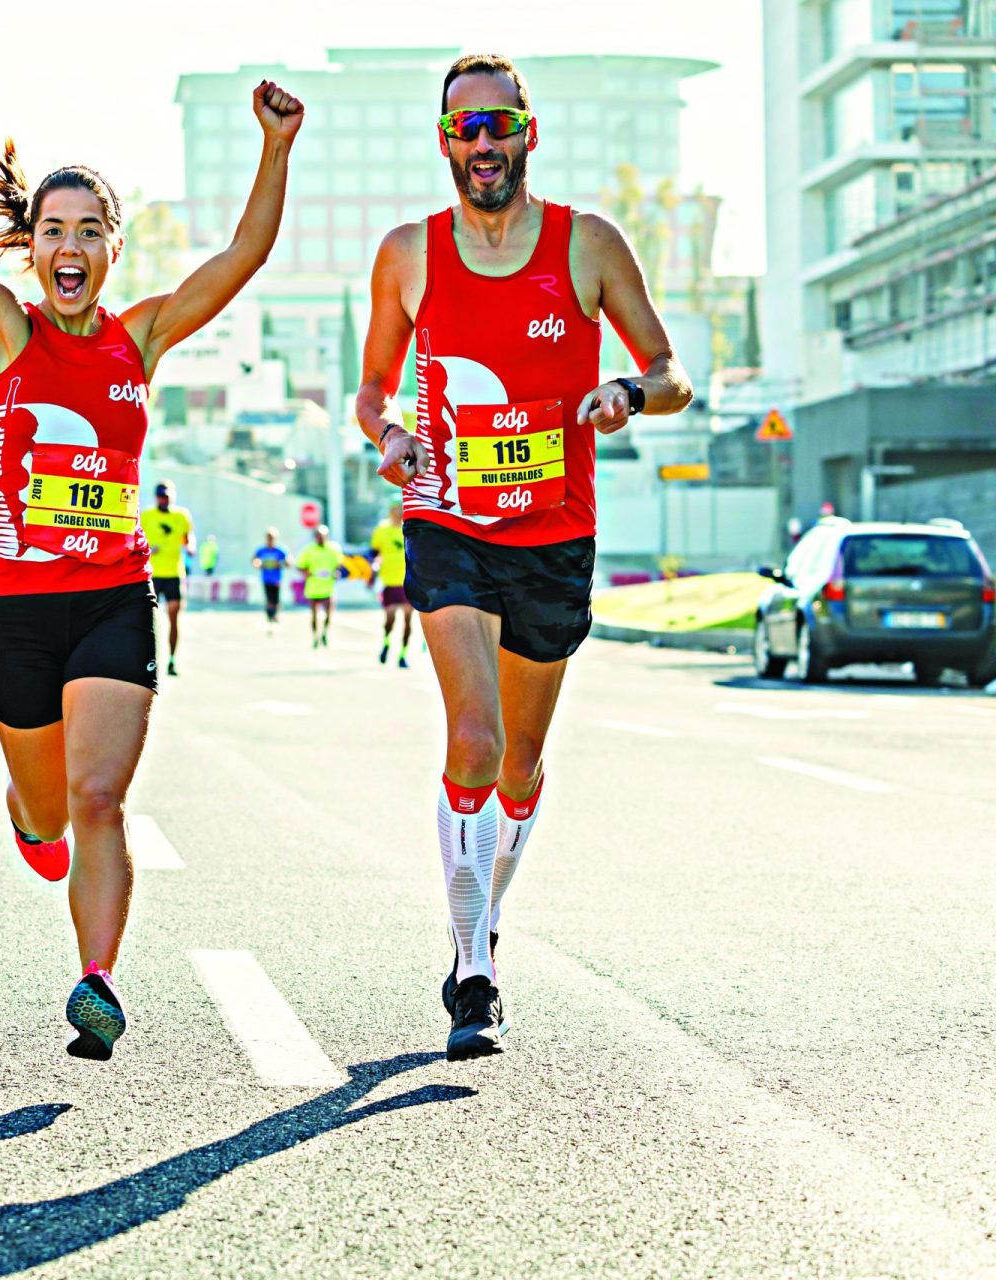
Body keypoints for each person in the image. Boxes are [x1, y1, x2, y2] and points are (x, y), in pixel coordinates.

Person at [0, 46, 301, 1059]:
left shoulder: (143, 338)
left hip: (114, 594)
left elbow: (240, 257)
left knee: (101, 798)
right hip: (16, 606)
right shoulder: (1, 329)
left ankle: (98, 979)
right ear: (31, 247)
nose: (69, 246)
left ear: (114, 246)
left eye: (88, 230)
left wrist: (275, 148)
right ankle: (29, 825)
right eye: (52, 231)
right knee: (46, 807)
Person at [355, 53, 693, 1060]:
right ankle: (474, 974)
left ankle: (481, 912)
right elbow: (372, 388)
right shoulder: (409, 254)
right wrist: (387, 439)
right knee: (473, 739)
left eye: (499, 123)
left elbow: (670, 370)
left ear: (528, 131)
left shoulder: (586, 244)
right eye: (464, 128)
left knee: (521, 760)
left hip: (554, 529)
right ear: (444, 143)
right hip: (447, 519)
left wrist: (627, 395)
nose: (483, 143)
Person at [141, 481, 194, 677]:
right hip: (152, 574)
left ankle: (172, 659)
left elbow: (187, 538)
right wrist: (147, 549)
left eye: (168, 496)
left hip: (174, 574)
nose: (164, 499)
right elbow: (136, 539)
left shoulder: (181, 516)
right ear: (156, 497)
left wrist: (190, 547)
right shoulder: (147, 515)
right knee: (148, 620)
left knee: (174, 616)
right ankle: (148, 660)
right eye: (161, 496)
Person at [371, 500, 413, 668]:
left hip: (407, 582)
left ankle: (403, 654)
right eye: (395, 509)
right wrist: (373, 571)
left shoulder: (409, 528)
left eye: (401, 509)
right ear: (390, 511)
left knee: (408, 621)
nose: (398, 512)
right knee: (390, 619)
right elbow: (373, 553)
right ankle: (386, 643)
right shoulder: (381, 530)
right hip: (388, 581)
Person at [294, 525, 341, 648]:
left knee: (329, 615)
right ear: (315, 537)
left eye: (323, 536)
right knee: (314, 615)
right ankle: (315, 636)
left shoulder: (334, 549)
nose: (321, 538)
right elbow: (299, 566)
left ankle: (324, 633)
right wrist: (305, 573)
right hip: (314, 587)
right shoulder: (309, 550)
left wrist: (337, 573)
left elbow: (339, 565)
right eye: (319, 536)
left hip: (328, 587)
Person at [250, 528, 289, 626]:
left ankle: (275, 614)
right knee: (268, 597)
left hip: (276, 579)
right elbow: (254, 560)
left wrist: (280, 564)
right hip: (266, 578)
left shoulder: (280, 550)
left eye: (272, 538)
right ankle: (269, 614)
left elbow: (289, 562)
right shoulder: (261, 550)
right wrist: (257, 564)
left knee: (276, 598)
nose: (270, 540)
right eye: (268, 538)